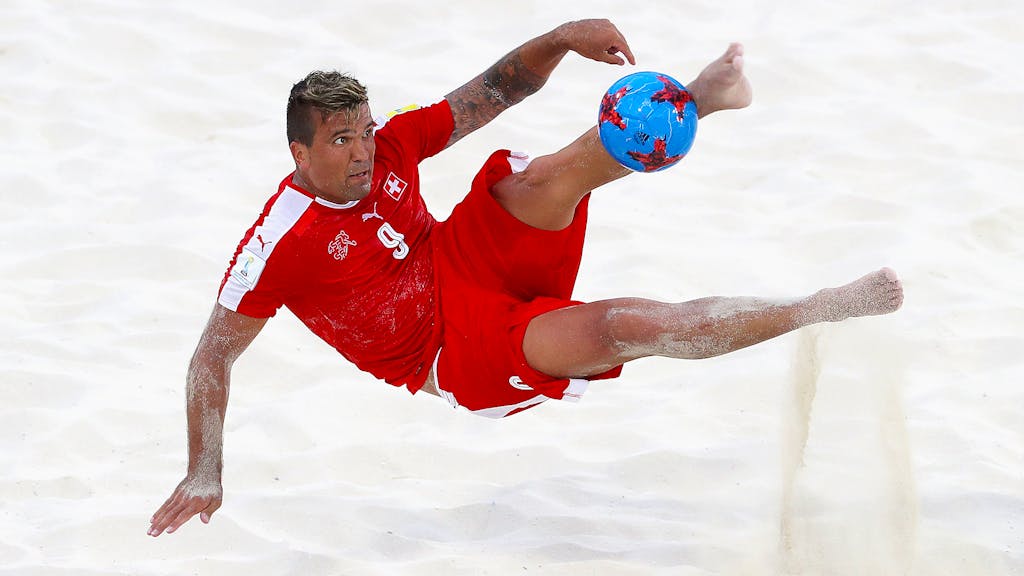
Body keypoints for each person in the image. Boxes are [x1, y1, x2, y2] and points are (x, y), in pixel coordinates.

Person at [148, 19, 903, 537]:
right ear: (300, 155)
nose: (364, 152)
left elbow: (494, 91)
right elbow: (212, 354)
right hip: (450, 353)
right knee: (624, 329)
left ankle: (697, 100)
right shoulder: (277, 241)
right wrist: (204, 470)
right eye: (342, 140)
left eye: (367, 131)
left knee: (542, 179)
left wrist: (562, 40)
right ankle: (818, 308)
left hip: (459, 257)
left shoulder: (392, 145)